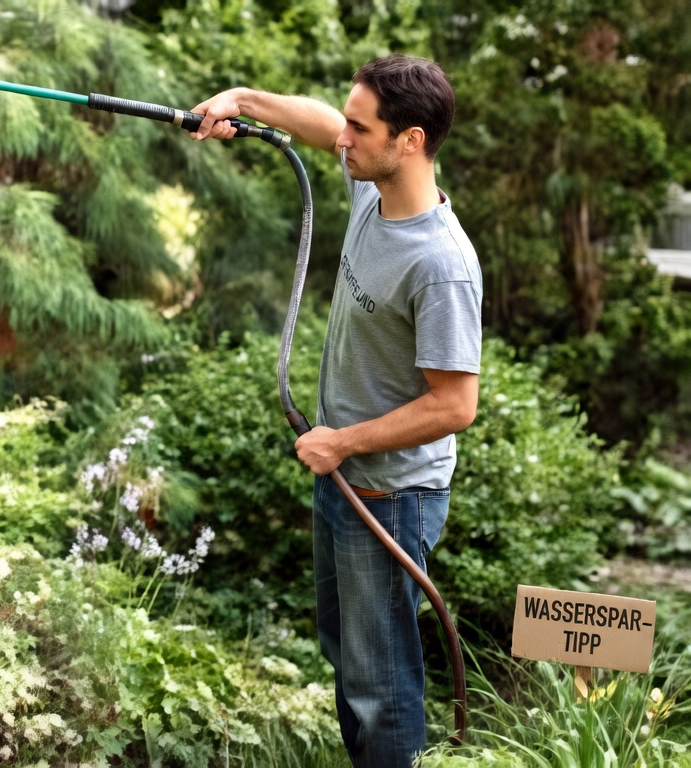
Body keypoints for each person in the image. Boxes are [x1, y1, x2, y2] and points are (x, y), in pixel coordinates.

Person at [189, 54, 482, 768]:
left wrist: (341, 442)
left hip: (390, 493)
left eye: (360, 127)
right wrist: (242, 95)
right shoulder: (371, 191)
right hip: (345, 477)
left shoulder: (439, 264)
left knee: (381, 688)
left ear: (409, 140)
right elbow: (322, 125)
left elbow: (455, 405)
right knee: (350, 661)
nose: (342, 138)